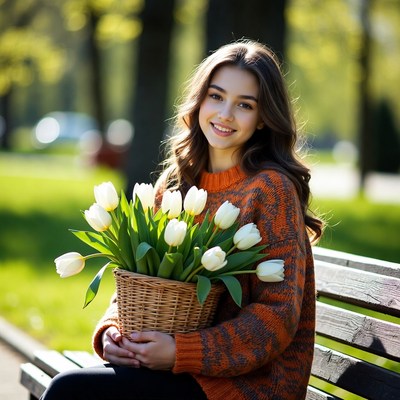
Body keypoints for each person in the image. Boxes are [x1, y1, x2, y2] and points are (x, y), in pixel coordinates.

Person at [41, 39, 323, 400]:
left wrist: (180, 351)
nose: (225, 114)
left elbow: (276, 317)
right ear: (200, 100)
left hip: (247, 386)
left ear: (264, 117)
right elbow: (139, 284)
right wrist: (113, 333)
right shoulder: (176, 185)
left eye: (245, 105)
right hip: (174, 372)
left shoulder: (270, 191)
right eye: (216, 97)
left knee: (69, 391)